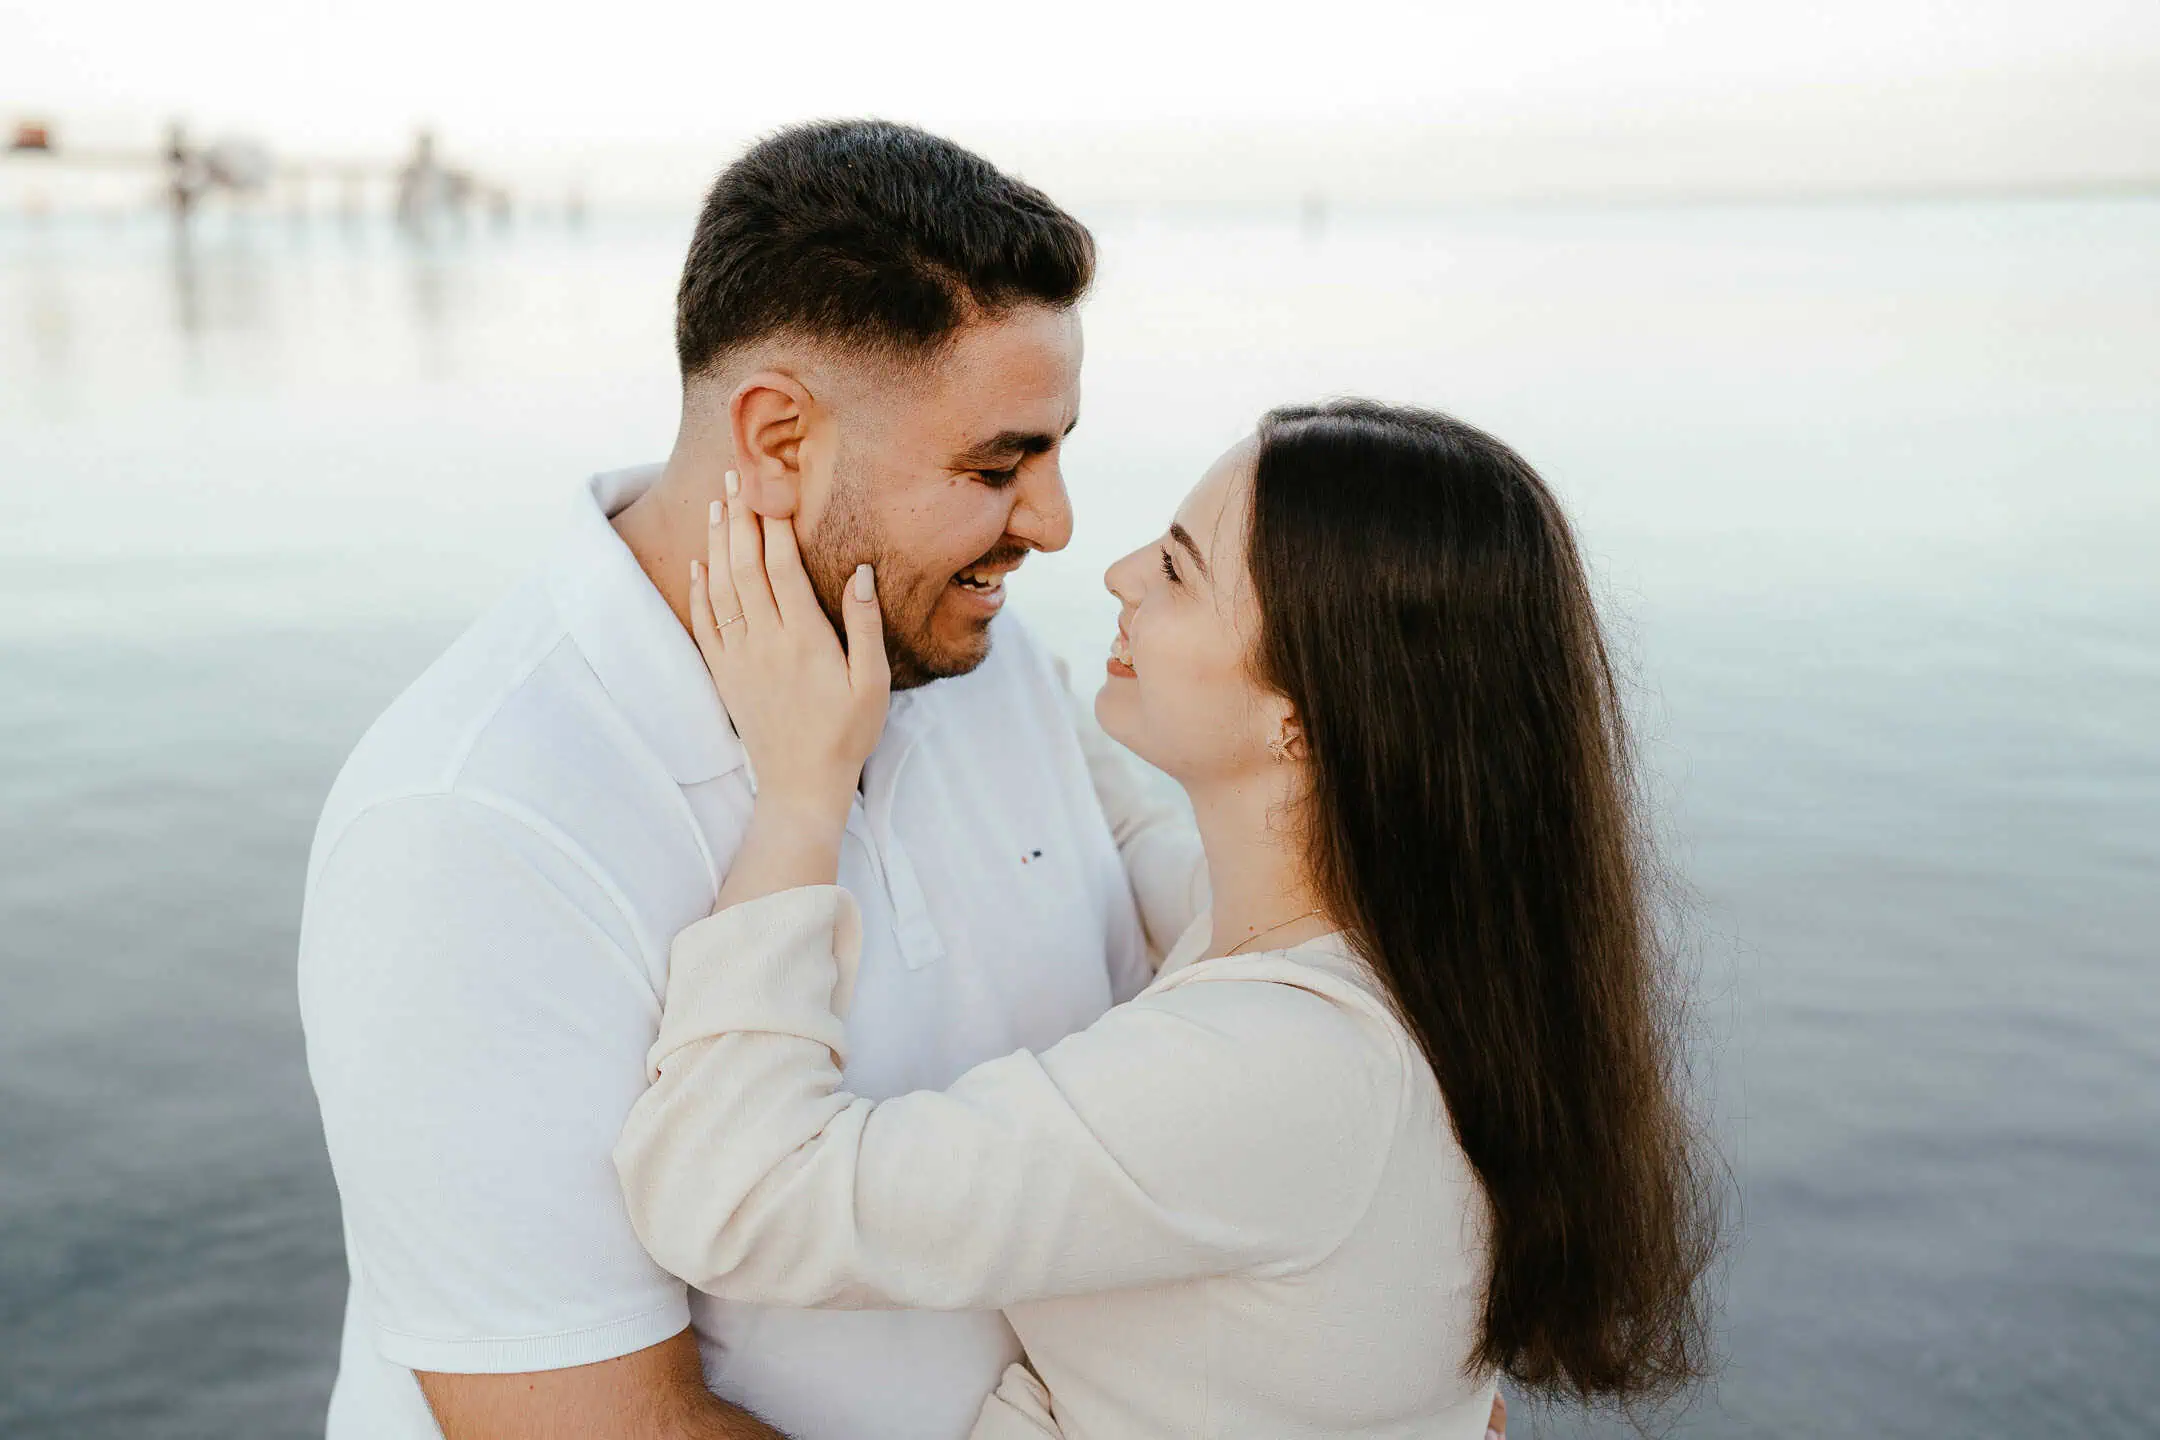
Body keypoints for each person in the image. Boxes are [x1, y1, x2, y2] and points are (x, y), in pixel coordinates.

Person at [614, 402, 1721, 1438]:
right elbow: (1144, 848)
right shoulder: (1407, 939)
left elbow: (739, 1193)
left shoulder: (1275, 1071)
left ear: (1301, 714)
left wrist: (805, 788)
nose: (1117, 571)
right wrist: (955, 621)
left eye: (1180, 571)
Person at [301, 119, 1153, 1440]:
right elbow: (589, 1425)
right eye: (998, 464)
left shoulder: (986, 659)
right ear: (776, 434)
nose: (1053, 524)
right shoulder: (470, 823)